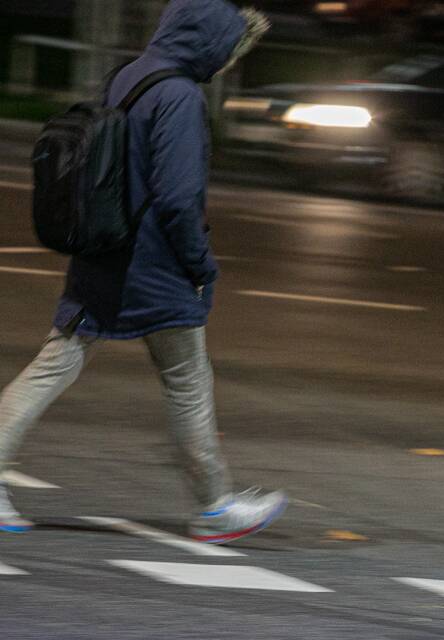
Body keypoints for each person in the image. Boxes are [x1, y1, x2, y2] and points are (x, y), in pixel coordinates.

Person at [0, 0, 286, 543]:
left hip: (101, 248)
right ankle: (213, 508)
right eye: (229, 50)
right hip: (152, 264)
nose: (227, 61)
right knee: (187, 381)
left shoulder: (131, 74)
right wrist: (202, 266)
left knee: (55, 361)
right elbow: (179, 199)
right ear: (210, 44)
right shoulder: (179, 95)